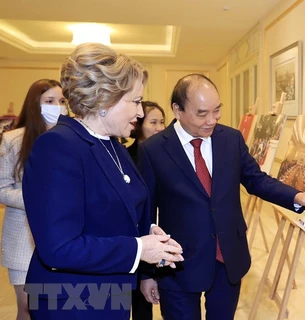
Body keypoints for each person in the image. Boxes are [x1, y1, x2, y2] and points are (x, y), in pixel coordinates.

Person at [137, 74, 305, 320]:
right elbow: (145, 213)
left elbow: (256, 179)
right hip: (178, 264)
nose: (212, 120)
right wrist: (147, 274)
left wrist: (296, 196)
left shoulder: (230, 139)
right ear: (177, 110)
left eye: (217, 110)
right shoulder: (153, 149)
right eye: (202, 113)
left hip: (227, 256)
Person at [21, 43, 183, 320]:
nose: (141, 113)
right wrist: (140, 248)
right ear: (105, 99)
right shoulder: (57, 146)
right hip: (69, 300)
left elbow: (112, 207)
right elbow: (58, 248)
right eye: (135, 101)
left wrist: (150, 233)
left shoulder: (114, 145)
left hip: (108, 291)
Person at [0, 79, 67, 320]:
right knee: (28, 308)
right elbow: (1, 188)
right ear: (34, 106)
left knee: (56, 307)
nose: (57, 106)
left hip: (63, 237)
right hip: (22, 238)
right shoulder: (13, 140)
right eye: (49, 101)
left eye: (61, 101)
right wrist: (38, 200)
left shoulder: (69, 139)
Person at [127, 100, 165, 320]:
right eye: (153, 122)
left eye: (162, 122)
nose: (160, 127)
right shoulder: (126, 155)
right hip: (137, 234)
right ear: (139, 124)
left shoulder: (169, 155)